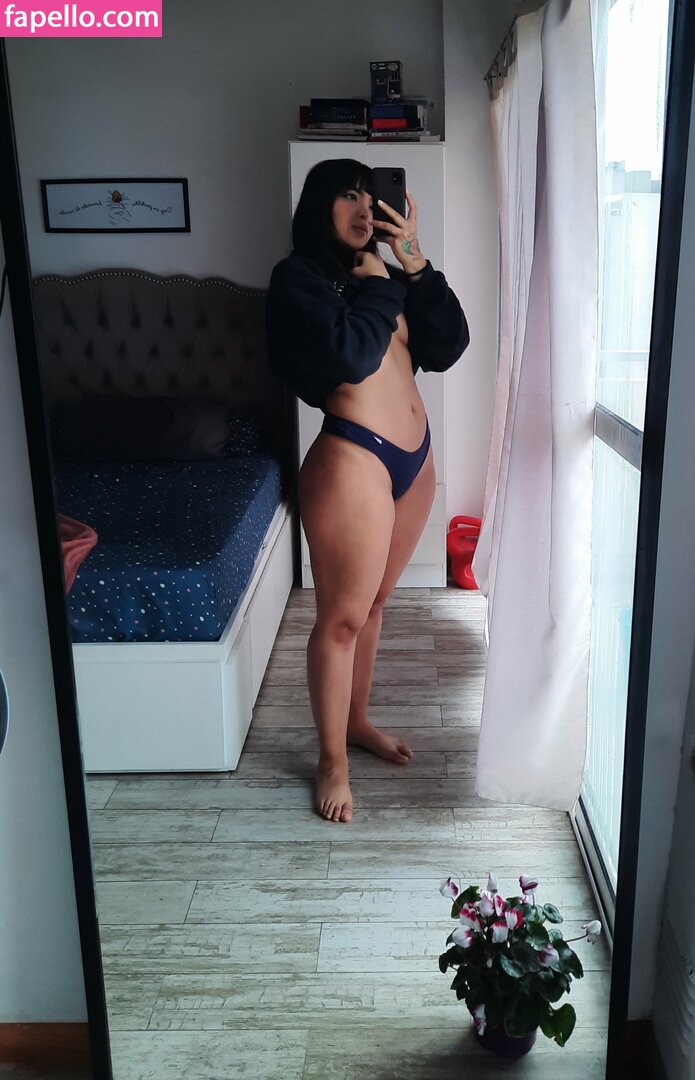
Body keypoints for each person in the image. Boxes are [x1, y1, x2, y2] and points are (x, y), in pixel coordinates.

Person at [266, 158, 469, 823]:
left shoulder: (386, 272)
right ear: (319, 205)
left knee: (375, 604)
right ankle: (331, 760)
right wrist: (380, 285)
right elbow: (350, 356)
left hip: (414, 459)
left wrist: (413, 265)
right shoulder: (298, 279)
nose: (363, 208)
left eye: (369, 196)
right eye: (347, 195)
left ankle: (355, 721)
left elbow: (447, 345)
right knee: (341, 619)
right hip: (354, 457)